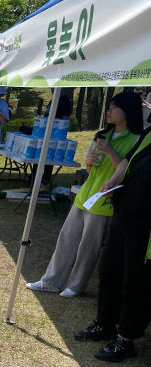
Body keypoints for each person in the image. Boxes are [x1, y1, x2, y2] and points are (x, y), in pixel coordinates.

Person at [27, 92, 143, 298]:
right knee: (66, 238)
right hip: (84, 196)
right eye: (109, 107)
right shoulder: (102, 135)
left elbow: (128, 171)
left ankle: (75, 285)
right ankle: (50, 281)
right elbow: (90, 170)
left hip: (103, 201)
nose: (109, 111)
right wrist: (89, 161)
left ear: (128, 111)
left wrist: (110, 152)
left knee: (88, 247)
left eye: (114, 107)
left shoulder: (136, 140)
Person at [74, 114, 151, 363]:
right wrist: (113, 181)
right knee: (109, 271)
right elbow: (126, 162)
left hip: (146, 226)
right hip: (124, 212)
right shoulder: (148, 134)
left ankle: (125, 339)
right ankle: (105, 323)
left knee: (135, 281)